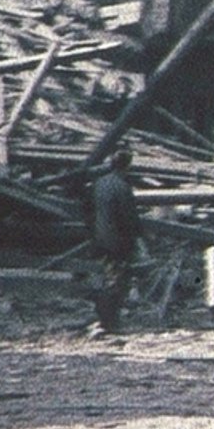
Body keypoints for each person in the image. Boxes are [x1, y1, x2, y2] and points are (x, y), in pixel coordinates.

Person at [87, 144, 141, 335]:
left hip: (99, 237)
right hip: (117, 240)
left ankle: (103, 318)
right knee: (117, 281)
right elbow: (129, 217)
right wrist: (136, 236)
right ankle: (110, 323)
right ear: (127, 166)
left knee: (104, 277)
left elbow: (88, 209)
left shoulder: (99, 183)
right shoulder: (123, 187)